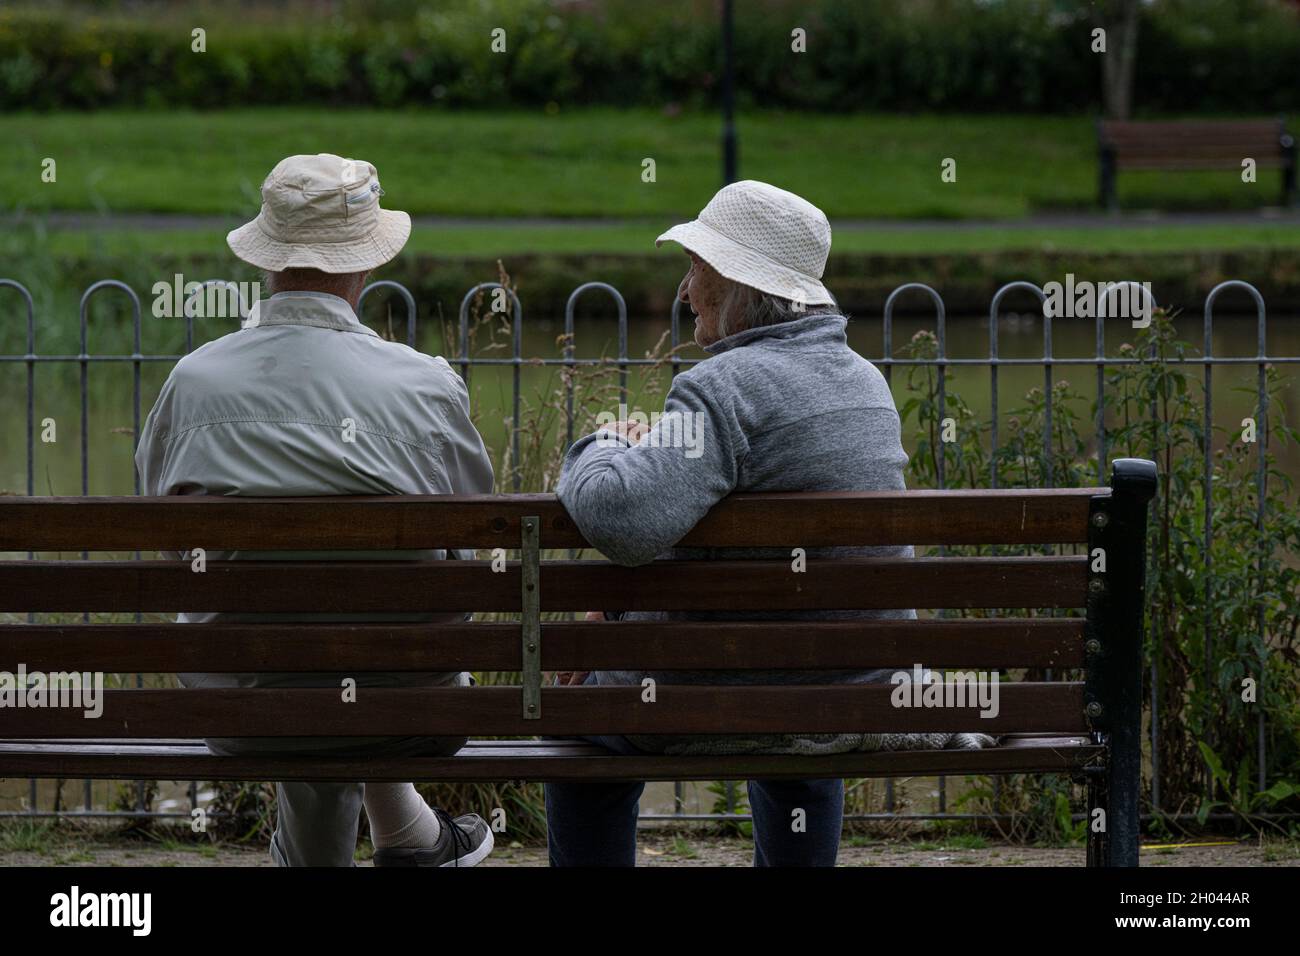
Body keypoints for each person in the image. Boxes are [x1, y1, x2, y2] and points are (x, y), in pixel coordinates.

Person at [548, 180, 987, 867]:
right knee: (798, 696)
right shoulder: (866, 385)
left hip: (724, 695)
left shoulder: (721, 389)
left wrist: (603, 445)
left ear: (732, 284)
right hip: (851, 692)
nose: (686, 291)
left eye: (697, 269)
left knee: (585, 736)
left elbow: (622, 519)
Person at [135, 154, 495, 867]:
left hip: (243, 702)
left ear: (266, 260)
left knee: (293, 650)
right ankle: (413, 840)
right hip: (412, 699)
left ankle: (403, 842)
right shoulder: (425, 387)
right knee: (355, 648)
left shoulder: (195, 383)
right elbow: (474, 551)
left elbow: (170, 542)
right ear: (366, 265)